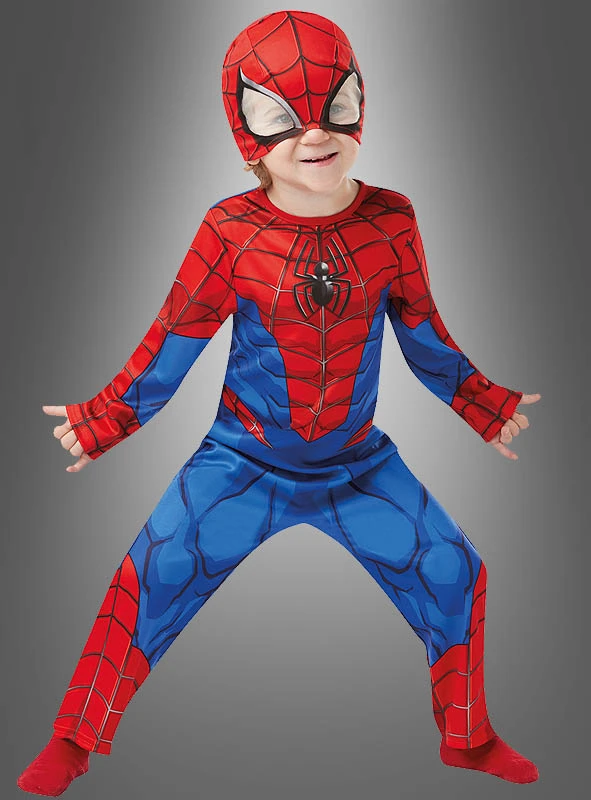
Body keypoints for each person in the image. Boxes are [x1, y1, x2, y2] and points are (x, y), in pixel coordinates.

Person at [17, 10, 541, 796]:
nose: (315, 134)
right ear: (246, 131)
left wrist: (479, 402)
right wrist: (107, 419)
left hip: (357, 465)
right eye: (281, 117)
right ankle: (73, 739)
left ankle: (467, 738)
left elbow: (423, 331)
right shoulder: (228, 229)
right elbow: (174, 337)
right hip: (242, 462)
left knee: (452, 568)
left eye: (336, 106)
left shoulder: (392, 218)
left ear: (361, 104)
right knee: (154, 567)